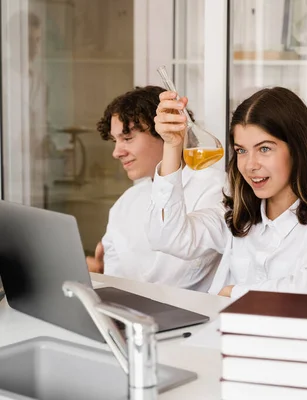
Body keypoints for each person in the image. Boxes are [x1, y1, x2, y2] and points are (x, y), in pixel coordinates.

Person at [147, 86, 307, 299]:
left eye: (264, 149)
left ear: (298, 149)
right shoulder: (235, 214)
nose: (250, 165)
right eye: (241, 151)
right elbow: (167, 237)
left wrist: (234, 293)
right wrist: (173, 146)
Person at [86, 86, 226, 292]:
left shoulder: (215, 189)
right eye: (115, 141)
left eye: (127, 138)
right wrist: (99, 275)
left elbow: (177, 279)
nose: (117, 152)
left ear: (166, 130)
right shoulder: (126, 202)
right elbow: (115, 279)